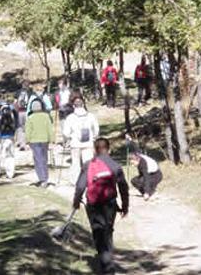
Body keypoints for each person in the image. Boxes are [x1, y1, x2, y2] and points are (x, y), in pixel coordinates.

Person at [73, 138, 129, 275]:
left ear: (95, 149)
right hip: (110, 204)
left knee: (98, 234)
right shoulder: (115, 166)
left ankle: (107, 267)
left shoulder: (88, 165)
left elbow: (80, 186)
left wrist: (76, 201)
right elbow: (123, 187)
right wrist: (125, 206)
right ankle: (108, 261)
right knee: (108, 231)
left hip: (93, 205)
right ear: (108, 149)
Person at [63, 95, 100, 185]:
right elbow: (96, 129)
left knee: (75, 163)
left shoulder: (70, 117)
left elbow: (66, 132)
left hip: (75, 144)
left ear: (73, 106)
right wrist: (94, 137)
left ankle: (75, 180)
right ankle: (90, 180)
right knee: (88, 163)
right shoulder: (91, 116)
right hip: (88, 143)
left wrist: (69, 138)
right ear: (83, 104)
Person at [26, 99, 55, 187]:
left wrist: (27, 140)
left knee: (38, 160)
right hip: (44, 140)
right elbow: (50, 129)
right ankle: (45, 177)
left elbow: (28, 131)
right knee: (44, 159)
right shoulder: (46, 116)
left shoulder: (30, 118)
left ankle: (42, 179)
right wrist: (52, 140)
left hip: (34, 141)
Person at [14, 81, 31, 151]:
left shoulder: (18, 92)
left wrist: (16, 111)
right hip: (27, 111)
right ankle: (26, 143)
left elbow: (15, 102)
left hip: (19, 112)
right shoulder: (30, 93)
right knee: (26, 127)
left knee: (20, 127)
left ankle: (20, 142)